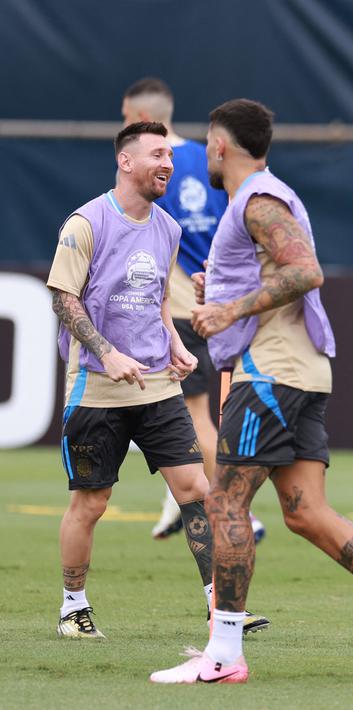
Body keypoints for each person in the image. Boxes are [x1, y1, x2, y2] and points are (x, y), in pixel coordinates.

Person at [150, 99, 353, 684]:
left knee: (225, 503)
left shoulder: (259, 198)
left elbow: (305, 270)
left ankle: (224, 655)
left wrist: (228, 309)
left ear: (219, 146)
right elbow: (272, 272)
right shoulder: (252, 200)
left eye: (206, 145)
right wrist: (224, 294)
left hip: (272, 373)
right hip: (300, 370)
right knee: (306, 512)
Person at [47, 122, 221, 639]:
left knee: (196, 489)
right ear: (126, 162)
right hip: (97, 386)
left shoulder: (168, 227)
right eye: (156, 154)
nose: (167, 163)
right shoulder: (86, 223)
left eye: (170, 154)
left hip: (158, 385)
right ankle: (72, 608)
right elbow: (63, 298)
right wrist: (106, 352)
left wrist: (175, 344)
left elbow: (158, 301)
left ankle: (222, 608)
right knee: (91, 503)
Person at [120, 77, 266, 544]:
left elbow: (136, 232)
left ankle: (237, 508)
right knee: (181, 412)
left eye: (126, 119)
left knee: (192, 413)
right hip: (212, 296)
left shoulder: (152, 167)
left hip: (178, 304)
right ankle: (178, 501)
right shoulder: (211, 164)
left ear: (141, 119)